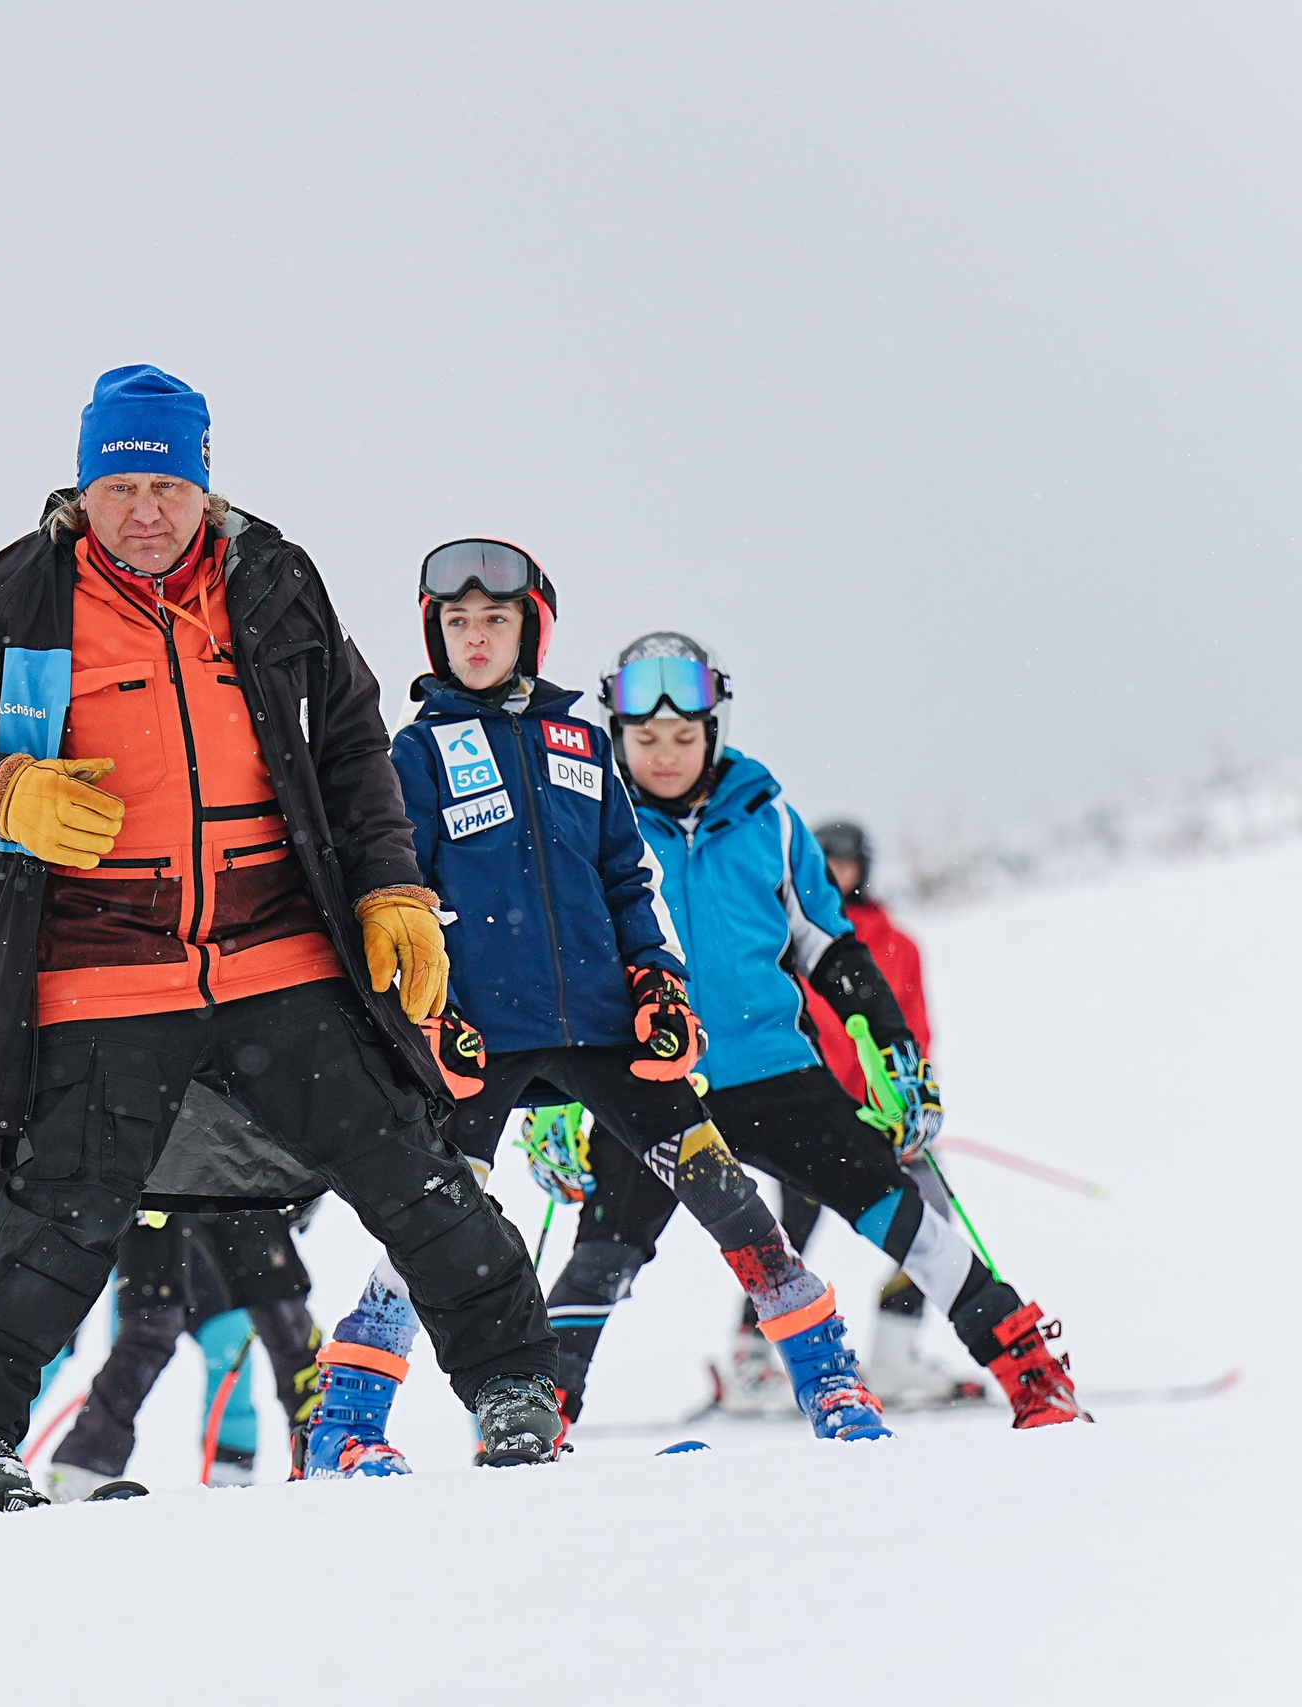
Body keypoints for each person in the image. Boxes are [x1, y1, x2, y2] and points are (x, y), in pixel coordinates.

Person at [0, 367, 561, 1515]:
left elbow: (349, 744)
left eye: (167, 484)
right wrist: (2, 789)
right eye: (122, 484)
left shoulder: (274, 582)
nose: (145, 510)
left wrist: (391, 887)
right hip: (103, 964)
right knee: (60, 1213)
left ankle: (514, 1388)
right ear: (86, 488)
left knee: (408, 1168)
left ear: (204, 486)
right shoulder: (17, 595)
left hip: (277, 952)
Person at [306, 546, 890, 1475]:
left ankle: (830, 1386)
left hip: (609, 1031)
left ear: (529, 629)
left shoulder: (579, 742)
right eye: (457, 623)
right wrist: (431, 1012)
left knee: (729, 1198)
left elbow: (628, 877)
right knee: (436, 1224)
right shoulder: (414, 754)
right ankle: (344, 1421)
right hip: (479, 1038)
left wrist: (658, 976)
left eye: (495, 621)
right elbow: (399, 891)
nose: (476, 639)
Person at [545, 633, 1080, 1428]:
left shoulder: (770, 821)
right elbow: (563, 969)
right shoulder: (593, 824)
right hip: (653, 1086)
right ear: (617, 736)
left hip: (775, 1074)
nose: (665, 755)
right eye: (646, 738)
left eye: (684, 737)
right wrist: (553, 1097)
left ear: (713, 730)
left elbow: (831, 950)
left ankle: (1028, 1369)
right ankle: (541, 1408)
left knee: (899, 1212)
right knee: (603, 1255)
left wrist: (894, 1050)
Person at [715, 819, 980, 1408]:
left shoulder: (898, 944)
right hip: (809, 1111)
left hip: (880, 1115)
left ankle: (894, 1349)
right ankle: (751, 1353)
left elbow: (913, 1028)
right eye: (824, 860)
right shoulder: (782, 938)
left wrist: (908, 1101)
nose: (835, 872)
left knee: (931, 1215)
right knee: (788, 1231)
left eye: (846, 862)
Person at [42, 1195, 324, 1499]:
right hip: (157, 1185)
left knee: (257, 1321)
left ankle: (313, 1443)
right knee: (145, 1330)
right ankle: (68, 1464)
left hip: (228, 1177)